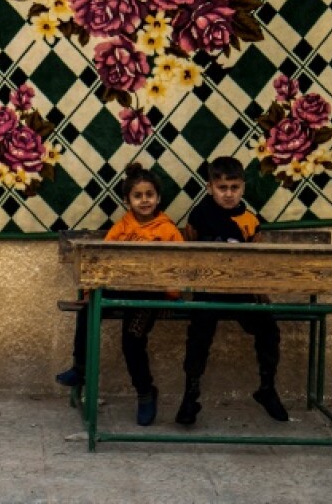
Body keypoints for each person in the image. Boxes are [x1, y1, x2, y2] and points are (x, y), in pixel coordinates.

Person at [55, 163, 183, 426]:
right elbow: (99, 263)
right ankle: (80, 368)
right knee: (87, 311)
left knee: (132, 339)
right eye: (138, 196)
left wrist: (171, 293)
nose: (144, 200)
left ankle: (146, 393)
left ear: (158, 197)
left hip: (152, 296)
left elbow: (179, 265)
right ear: (127, 200)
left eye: (149, 195)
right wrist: (91, 291)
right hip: (121, 288)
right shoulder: (121, 229)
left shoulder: (167, 230)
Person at [175, 156, 289, 425]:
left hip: (241, 291)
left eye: (234, 188)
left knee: (268, 329)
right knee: (199, 336)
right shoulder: (199, 215)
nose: (228, 194)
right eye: (222, 188)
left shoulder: (249, 220)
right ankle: (190, 396)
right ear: (210, 187)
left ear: (243, 188)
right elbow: (187, 251)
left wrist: (261, 291)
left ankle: (267, 388)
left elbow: (258, 259)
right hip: (208, 291)